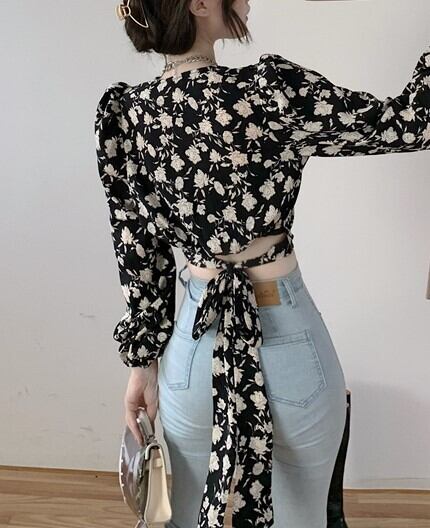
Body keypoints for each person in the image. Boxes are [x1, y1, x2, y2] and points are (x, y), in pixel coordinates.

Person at [94, 1, 430, 526]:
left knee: (185, 517)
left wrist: (143, 365)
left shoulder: (127, 116)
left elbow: (138, 250)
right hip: (284, 331)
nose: (248, 0)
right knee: (301, 516)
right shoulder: (271, 91)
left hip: (193, 346)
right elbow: (413, 123)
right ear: (199, 4)